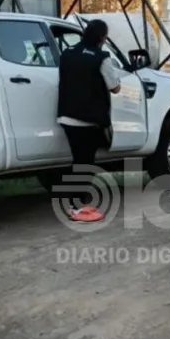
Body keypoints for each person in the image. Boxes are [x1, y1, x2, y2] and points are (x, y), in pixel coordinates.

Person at [55, 19, 121, 223]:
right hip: (88, 119)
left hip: (66, 116)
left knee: (79, 161)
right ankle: (76, 207)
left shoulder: (67, 53)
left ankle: (77, 204)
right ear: (102, 37)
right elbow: (115, 87)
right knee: (84, 164)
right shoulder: (101, 57)